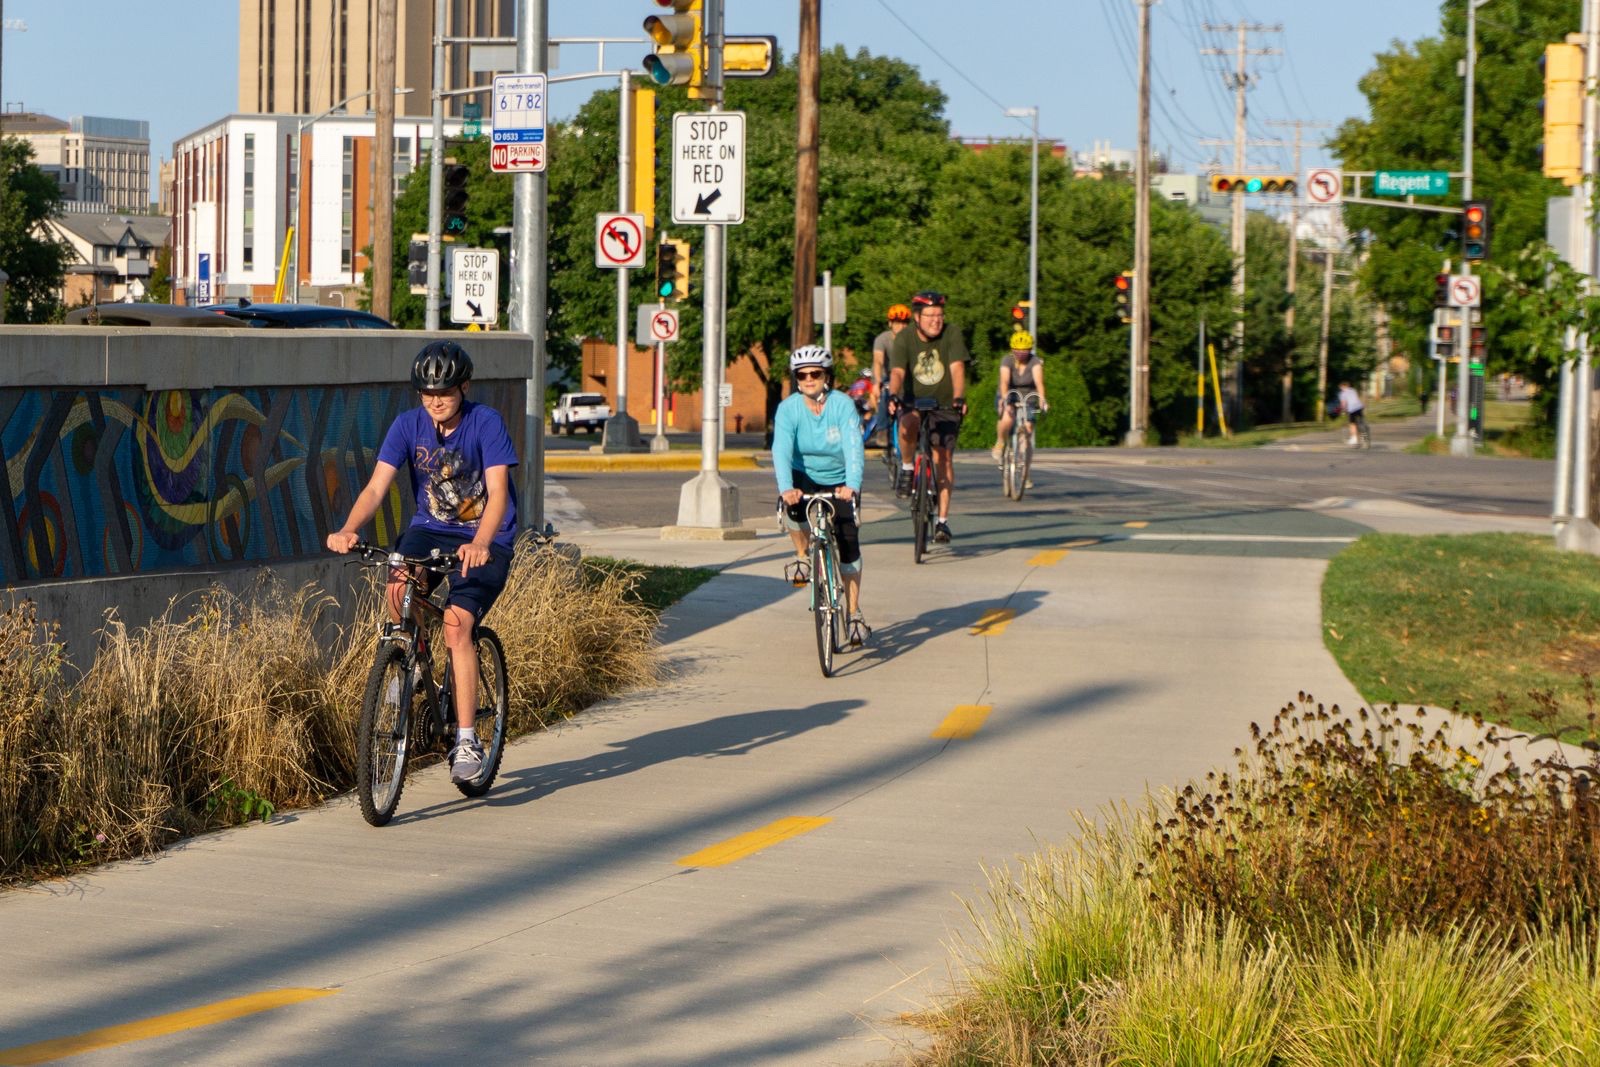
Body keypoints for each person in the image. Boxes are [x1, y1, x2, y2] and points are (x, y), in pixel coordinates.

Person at [326, 340, 519, 785]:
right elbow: (376, 488)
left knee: (457, 624)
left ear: (464, 388)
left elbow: (499, 493)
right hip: (430, 529)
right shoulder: (407, 426)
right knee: (398, 588)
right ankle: (410, 658)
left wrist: (483, 542)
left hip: (485, 535)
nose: (435, 401)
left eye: (445, 393)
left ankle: (467, 739)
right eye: (427, 393)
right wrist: (349, 528)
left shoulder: (485, 423)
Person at [771, 344, 870, 644]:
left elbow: (854, 445)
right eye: (802, 375)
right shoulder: (788, 409)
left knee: (848, 544)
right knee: (793, 509)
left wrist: (851, 484)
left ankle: (852, 615)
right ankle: (802, 555)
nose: (809, 379)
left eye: (815, 373)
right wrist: (786, 488)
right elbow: (781, 449)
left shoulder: (842, 405)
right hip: (805, 474)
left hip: (840, 478)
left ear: (826, 375)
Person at [887, 290, 969, 543]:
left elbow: (957, 367)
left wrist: (958, 396)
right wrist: (893, 394)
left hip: (944, 404)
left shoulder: (952, 333)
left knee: (943, 458)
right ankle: (908, 467)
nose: (936, 320)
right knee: (907, 424)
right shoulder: (904, 338)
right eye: (930, 315)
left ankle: (942, 522)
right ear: (917, 317)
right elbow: (898, 371)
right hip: (913, 401)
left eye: (940, 315)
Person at [991, 331, 1049, 464]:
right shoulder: (1007, 360)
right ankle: (1000, 442)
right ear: (1012, 349)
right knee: (1007, 417)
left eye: (1025, 350)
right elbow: (1004, 381)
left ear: (1030, 350)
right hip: (1009, 394)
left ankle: (1025, 471)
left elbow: (1039, 383)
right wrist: (1005, 398)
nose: (1021, 353)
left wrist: (1042, 399)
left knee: (1028, 430)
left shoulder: (1034, 362)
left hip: (1028, 396)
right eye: (1017, 350)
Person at [869, 304, 912, 446]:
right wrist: (877, 383)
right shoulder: (882, 339)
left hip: (906, 374)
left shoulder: (912, 339)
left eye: (905, 323)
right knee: (885, 394)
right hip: (885, 375)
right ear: (890, 323)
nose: (902, 326)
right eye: (898, 323)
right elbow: (878, 361)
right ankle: (882, 431)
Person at [1337, 380, 1367, 446]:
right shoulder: (1353, 390)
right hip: (1359, 407)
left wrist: (1343, 410)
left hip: (1352, 409)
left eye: (1341, 387)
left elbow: (1343, 404)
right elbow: (1356, 398)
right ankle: (1364, 434)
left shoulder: (1342, 393)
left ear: (1343, 386)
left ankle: (1354, 439)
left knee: (1352, 424)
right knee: (1360, 421)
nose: (1340, 388)